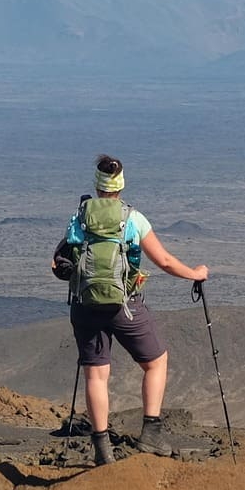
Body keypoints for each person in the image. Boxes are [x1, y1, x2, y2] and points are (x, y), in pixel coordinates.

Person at [51, 153, 209, 465]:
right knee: (156, 362)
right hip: (125, 306)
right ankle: (150, 433)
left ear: (97, 188)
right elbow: (163, 261)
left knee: (96, 376)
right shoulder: (133, 219)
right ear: (120, 186)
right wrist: (196, 273)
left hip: (84, 305)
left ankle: (102, 448)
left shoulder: (78, 217)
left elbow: (57, 263)